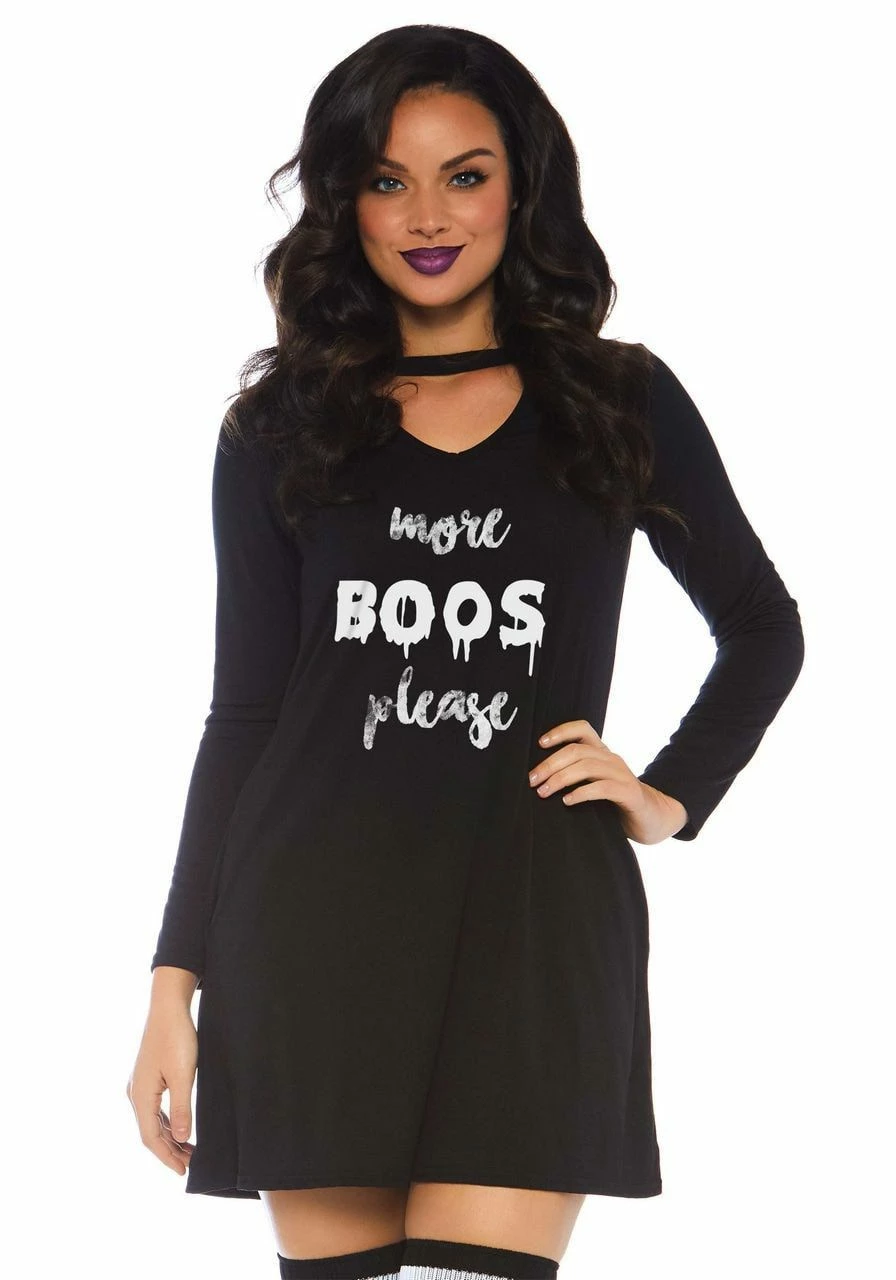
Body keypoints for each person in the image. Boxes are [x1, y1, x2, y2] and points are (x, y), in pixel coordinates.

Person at [126, 23, 805, 1280]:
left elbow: (761, 624)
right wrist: (176, 978)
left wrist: (668, 794)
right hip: (312, 928)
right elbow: (245, 716)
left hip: (532, 923)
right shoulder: (279, 426)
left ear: (521, 186)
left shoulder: (614, 400)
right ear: (345, 201)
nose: (428, 215)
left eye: (465, 174)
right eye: (387, 179)